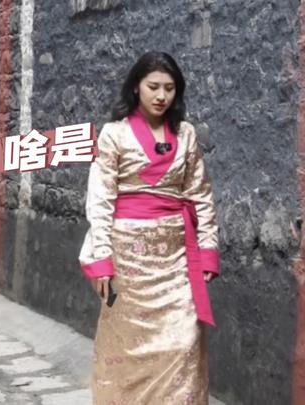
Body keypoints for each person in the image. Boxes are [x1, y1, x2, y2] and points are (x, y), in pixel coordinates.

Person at [78, 51, 220, 404]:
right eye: (153, 86)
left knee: (184, 341)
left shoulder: (186, 134)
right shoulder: (113, 135)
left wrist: (207, 249)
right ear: (136, 88)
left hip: (177, 258)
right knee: (128, 347)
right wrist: (102, 259)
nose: (161, 96)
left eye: (169, 88)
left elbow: (200, 195)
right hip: (128, 259)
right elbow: (100, 199)